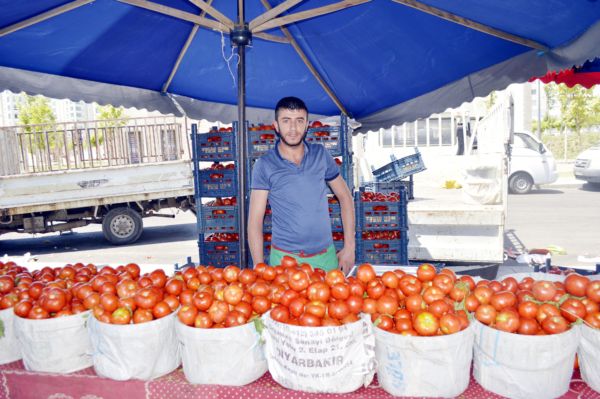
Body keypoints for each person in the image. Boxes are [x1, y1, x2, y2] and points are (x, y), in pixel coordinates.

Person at [247, 96, 355, 274]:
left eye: (299, 121)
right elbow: (254, 221)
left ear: (307, 125)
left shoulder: (321, 155)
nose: (293, 128)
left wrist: (349, 247)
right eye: (286, 121)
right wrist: (259, 267)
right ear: (276, 125)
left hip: (325, 258)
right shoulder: (264, 164)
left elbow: (345, 197)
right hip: (285, 261)